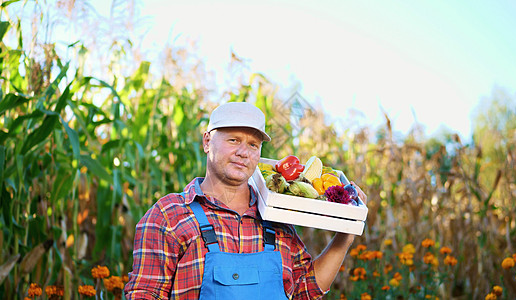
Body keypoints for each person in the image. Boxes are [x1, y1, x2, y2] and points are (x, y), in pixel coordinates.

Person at [124, 102, 367, 299]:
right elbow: (145, 294)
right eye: (233, 140)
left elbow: (305, 291)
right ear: (207, 141)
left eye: (253, 144)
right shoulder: (169, 215)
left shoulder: (277, 219)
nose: (244, 152)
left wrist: (344, 235)